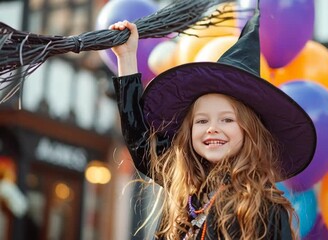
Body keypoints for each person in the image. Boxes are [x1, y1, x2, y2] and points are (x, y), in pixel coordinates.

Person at [109, 5, 316, 240]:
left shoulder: (264, 209)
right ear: (189, 131)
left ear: (249, 131)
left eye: (227, 119)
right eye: (201, 120)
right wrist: (127, 58)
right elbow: (142, 143)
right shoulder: (189, 195)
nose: (212, 128)